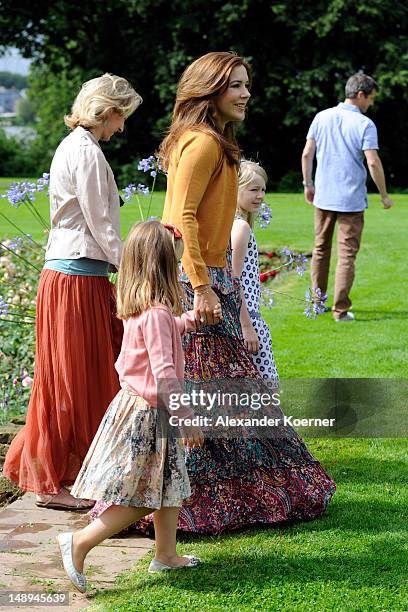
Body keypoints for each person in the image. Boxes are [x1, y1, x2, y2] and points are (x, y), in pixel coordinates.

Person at [92, 52, 335, 535]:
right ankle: (182, 505)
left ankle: (220, 499)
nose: (246, 94)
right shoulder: (202, 143)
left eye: (247, 85)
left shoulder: (212, 142)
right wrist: (202, 287)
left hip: (210, 276)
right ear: (210, 91)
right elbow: (179, 216)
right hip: (197, 281)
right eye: (236, 86)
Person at [4, 74, 142, 509]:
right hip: (76, 276)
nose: (123, 127)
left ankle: (78, 473)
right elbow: (101, 223)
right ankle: (64, 481)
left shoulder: (77, 147)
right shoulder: (85, 152)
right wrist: (134, 270)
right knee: (77, 378)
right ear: (108, 111)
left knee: (75, 375)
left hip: (73, 274)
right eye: (122, 116)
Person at [57, 221, 208, 592]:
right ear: (161, 266)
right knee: (143, 496)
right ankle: (81, 541)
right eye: (176, 261)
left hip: (144, 408)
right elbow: (165, 374)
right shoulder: (155, 315)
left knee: (168, 485)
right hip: (150, 414)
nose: (180, 269)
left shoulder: (147, 310)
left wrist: (187, 321)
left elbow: (162, 333)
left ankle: (166, 555)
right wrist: (185, 417)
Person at [301, 72, 393, 322]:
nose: (371, 104)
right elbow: (373, 162)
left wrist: (308, 184)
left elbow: (308, 153)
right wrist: (384, 195)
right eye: (370, 98)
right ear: (360, 94)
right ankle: (340, 311)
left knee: (320, 249)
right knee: (347, 255)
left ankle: (317, 304)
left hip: (323, 196)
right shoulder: (365, 124)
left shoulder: (322, 117)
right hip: (351, 200)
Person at [231, 160, 279, 384]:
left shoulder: (235, 223)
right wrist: (247, 327)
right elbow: (234, 280)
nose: (260, 196)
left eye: (263, 190)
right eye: (253, 190)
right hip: (246, 319)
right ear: (235, 188)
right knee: (265, 390)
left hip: (239, 319)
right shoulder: (240, 228)